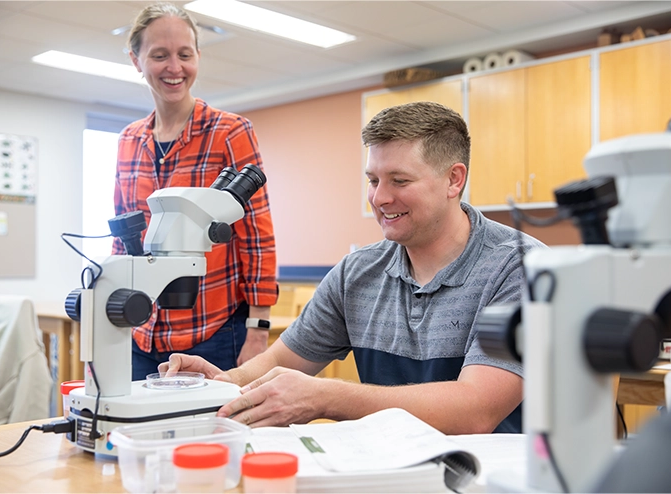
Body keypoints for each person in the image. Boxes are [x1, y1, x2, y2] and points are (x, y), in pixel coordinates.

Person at [161, 101, 545, 434]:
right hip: (388, 470)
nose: (380, 198)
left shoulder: (521, 267)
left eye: (399, 180)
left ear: (453, 180)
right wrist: (223, 382)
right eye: (373, 180)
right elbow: (281, 360)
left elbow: (476, 410)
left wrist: (327, 397)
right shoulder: (357, 273)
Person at [113, 3, 278, 380]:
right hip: (142, 331)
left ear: (198, 57)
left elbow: (256, 235)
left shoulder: (229, 132)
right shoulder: (128, 140)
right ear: (136, 61)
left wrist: (259, 328)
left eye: (185, 55)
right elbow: (123, 239)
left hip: (215, 332)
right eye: (159, 55)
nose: (175, 67)